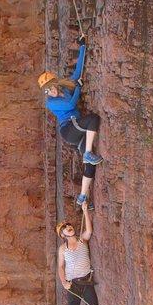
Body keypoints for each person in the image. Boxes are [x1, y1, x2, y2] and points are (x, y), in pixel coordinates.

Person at [38, 36, 103, 207]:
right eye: (46, 91)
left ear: (54, 83)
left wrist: (82, 47)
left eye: (50, 87)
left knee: (89, 165)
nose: (50, 91)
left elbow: (78, 70)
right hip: (69, 129)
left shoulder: (65, 87)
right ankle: (88, 152)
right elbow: (70, 103)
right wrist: (79, 88)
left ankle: (83, 198)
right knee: (93, 119)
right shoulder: (51, 103)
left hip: (77, 131)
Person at [56, 202, 100, 305]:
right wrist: (63, 282)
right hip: (73, 285)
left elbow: (89, 231)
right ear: (62, 234)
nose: (69, 227)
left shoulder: (82, 240)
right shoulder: (62, 249)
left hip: (87, 282)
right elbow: (60, 267)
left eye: (69, 225)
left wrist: (85, 212)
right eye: (65, 227)